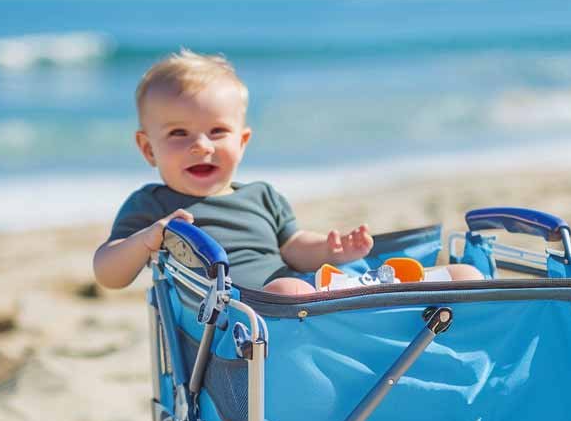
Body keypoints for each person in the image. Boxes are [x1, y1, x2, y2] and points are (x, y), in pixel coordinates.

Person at [93, 50, 481, 294]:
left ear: (242, 142)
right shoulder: (153, 205)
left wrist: (330, 249)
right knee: (288, 289)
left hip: (310, 291)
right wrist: (146, 240)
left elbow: (293, 247)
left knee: (463, 275)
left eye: (218, 132)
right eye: (179, 133)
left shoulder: (261, 195)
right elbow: (108, 273)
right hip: (248, 318)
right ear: (148, 148)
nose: (202, 146)